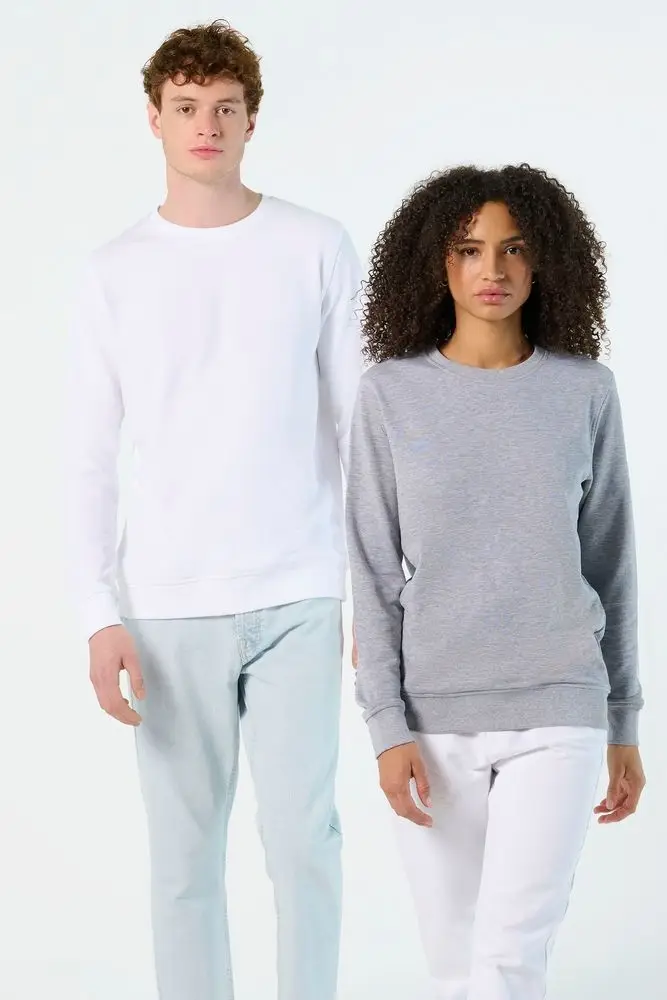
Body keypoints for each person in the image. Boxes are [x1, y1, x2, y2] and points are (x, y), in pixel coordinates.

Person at [65, 19, 362, 1000]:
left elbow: (356, 428)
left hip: (299, 590)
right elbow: (88, 456)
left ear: (251, 121)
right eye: (186, 106)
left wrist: (373, 590)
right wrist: (98, 612)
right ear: (153, 118)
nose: (206, 125)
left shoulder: (314, 246)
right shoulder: (113, 271)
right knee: (183, 862)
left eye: (225, 108)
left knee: (304, 841)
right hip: (166, 603)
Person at [346, 163, 646, 1000]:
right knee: (453, 966)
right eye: (469, 249)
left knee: (509, 957)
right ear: (434, 263)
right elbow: (370, 567)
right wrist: (384, 725)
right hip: (431, 716)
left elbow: (611, 563)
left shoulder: (583, 391)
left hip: (559, 706)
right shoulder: (389, 396)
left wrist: (623, 720)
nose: (492, 269)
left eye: (513, 248)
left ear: (544, 259)